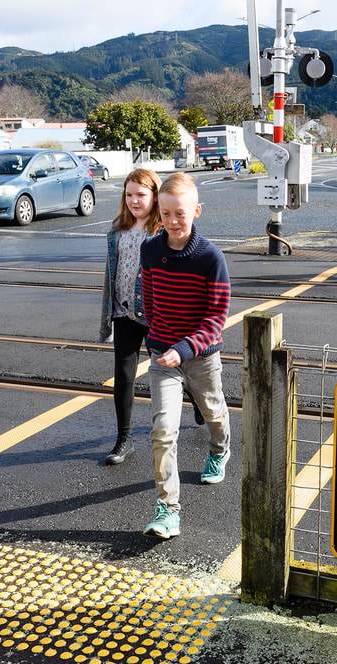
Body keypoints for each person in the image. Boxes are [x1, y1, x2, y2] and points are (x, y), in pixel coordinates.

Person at [139, 173, 231, 539]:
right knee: (163, 432)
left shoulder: (211, 257)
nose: (173, 221)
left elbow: (216, 319)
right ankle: (168, 510)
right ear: (157, 213)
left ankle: (219, 450)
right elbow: (149, 299)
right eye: (165, 213)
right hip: (163, 357)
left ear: (196, 211)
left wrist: (185, 349)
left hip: (201, 357)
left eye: (180, 213)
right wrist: (158, 342)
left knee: (213, 411)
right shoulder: (150, 250)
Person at [99, 168, 162, 465]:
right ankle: (124, 438)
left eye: (141, 195)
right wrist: (106, 318)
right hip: (124, 312)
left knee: (168, 369)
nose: (134, 201)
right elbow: (109, 277)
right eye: (129, 195)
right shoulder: (117, 230)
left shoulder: (162, 231)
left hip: (156, 314)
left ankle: (197, 403)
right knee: (123, 376)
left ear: (155, 196)